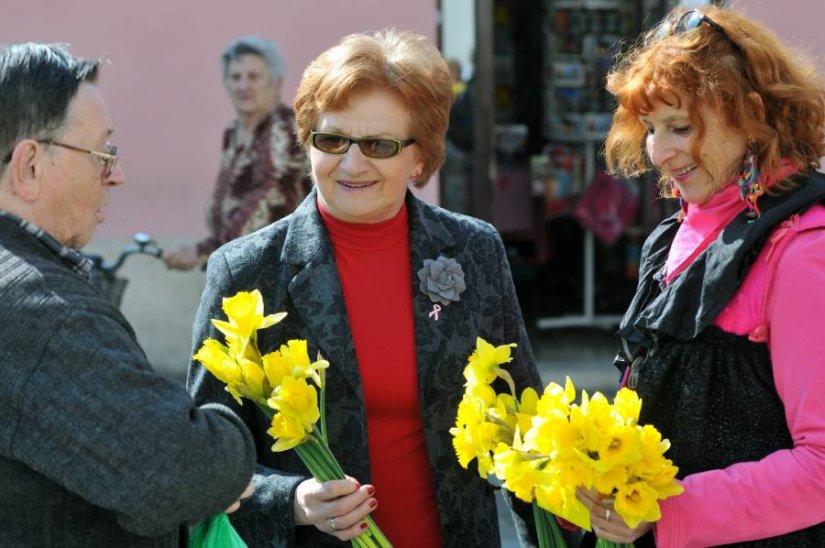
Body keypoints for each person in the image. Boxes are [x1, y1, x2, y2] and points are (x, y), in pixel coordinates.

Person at [188, 29, 542, 547]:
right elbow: (203, 455)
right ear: (308, 141)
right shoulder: (246, 272)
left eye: (379, 145)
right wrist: (291, 500)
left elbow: (521, 422)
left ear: (419, 158)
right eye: (332, 140)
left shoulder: (473, 250)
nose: (352, 164)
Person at [576, 6, 825, 547]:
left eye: (681, 127)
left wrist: (667, 512)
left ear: (751, 115)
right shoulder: (671, 234)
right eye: (649, 129)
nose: (659, 152)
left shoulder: (804, 250)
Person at [0, 43, 257, 546]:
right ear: (29, 166)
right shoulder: (37, 310)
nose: (116, 175)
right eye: (102, 154)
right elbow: (187, 470)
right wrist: (225, 444)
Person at [163, 36, 309, 270]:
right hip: (242, 264)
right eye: (235, 77)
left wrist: (205, 251)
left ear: (276, 82)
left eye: (253, 77)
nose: (243, 86)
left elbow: (269, 199)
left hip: (278, 269)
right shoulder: (234, 132)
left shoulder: (283, 128)